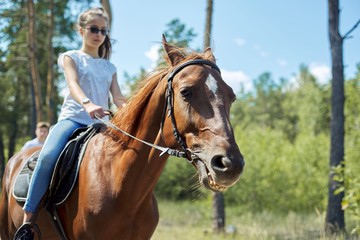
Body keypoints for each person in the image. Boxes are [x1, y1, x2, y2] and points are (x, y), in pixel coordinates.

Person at [14, 7, 126, 239]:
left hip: (102, 125)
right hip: (73, 119)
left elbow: (117, 98)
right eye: (93, 29)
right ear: (81, 29)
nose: (98, 34)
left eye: (103, 31)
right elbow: (73, 85)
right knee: (47, 157)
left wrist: (127, 112)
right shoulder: (70, 57)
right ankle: (28, 220)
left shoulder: (109, 67)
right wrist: (87, 104)